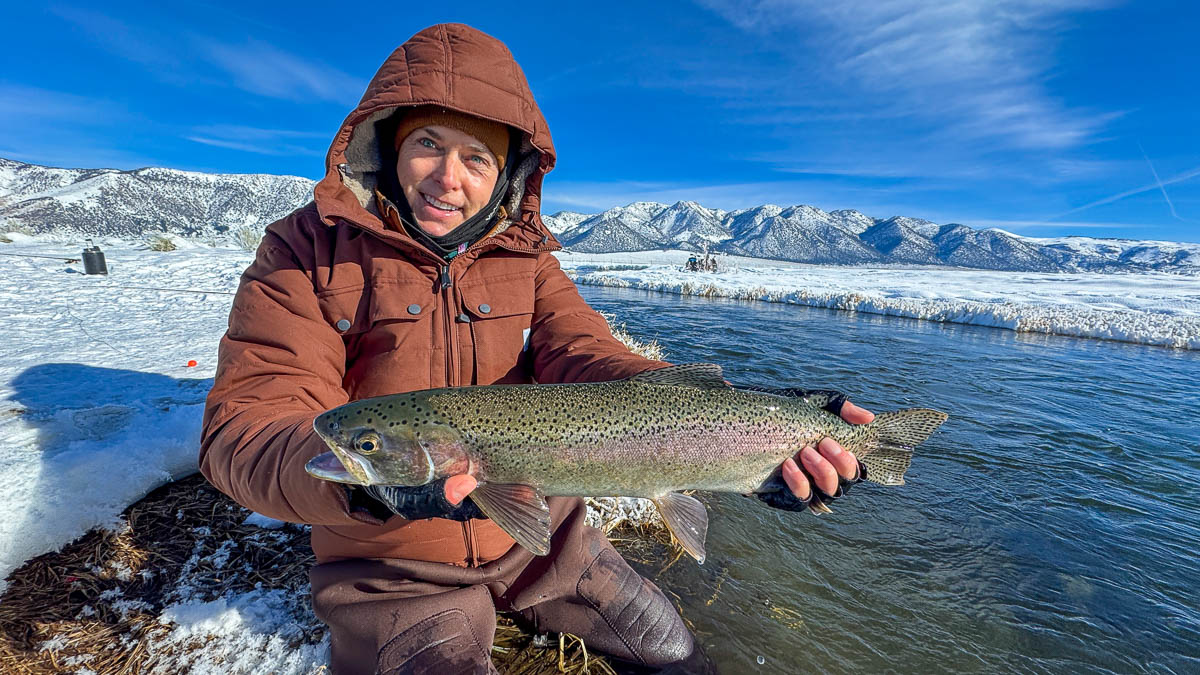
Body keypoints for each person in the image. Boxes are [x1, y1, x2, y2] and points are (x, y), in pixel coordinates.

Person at [199, 23, 873, 674]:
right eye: (429, 143)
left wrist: (746, 416)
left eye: (477, 157)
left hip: (549, 544)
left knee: (676, 653)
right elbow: (247, 426)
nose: (447, 177)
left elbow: (586, 354)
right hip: (389, 565)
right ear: (389, 143)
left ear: (507, 174)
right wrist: (375, 496)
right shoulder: (303, 251)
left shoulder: (530, 262)